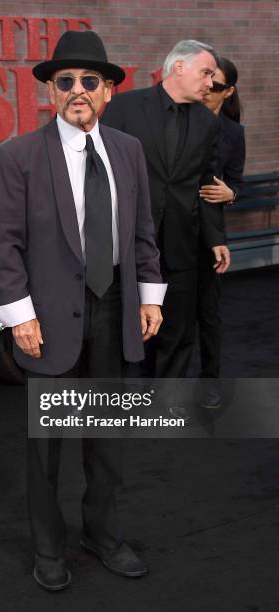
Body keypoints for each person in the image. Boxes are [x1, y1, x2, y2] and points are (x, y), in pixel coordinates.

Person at [0, 30, 166, 591]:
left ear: (109, 91)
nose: (78, 90)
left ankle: (103, 534)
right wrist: (19, 316)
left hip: (114, 307)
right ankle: (48, 548)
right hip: (47, 316)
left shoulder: (129, 151)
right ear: (50, 93)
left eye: (91, 80)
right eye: (65, 82)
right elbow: (4, 244)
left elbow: (142, 232)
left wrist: (150, 295)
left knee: (107, 437)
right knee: (47, 446)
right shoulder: (16, 156)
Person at [101, 40, 230, 385]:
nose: (210, 83)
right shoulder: (124, 107)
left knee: (178, 327)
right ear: (179, 68)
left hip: (182, 242)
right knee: (124, 323)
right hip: (127, 241)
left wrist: (215, 237)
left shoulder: (208, 122)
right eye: (206, 74)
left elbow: (207, 185)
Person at [198, 57, 245, 407]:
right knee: (162, 311)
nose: (206, 89)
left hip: (211, 235)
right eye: (205, 79)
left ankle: (208, 384)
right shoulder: (179, 117)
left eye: (215, 86)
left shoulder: (233, 132)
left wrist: (231, 194)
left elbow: (236, 181)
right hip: (171, 230)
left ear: (227, 91)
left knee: (209, 315)